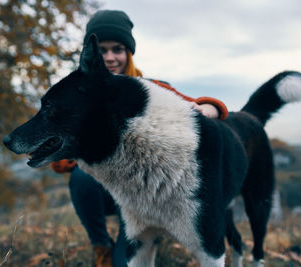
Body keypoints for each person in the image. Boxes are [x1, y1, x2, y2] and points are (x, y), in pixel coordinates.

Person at [51, 10, 228, 267]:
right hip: (104, 190)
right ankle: (101, 247)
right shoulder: (79, 96)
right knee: (80, 176)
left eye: (117, 49)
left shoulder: (150, 89)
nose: (110, 57)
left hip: (143, 197)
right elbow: (59, 162)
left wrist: (211, 108)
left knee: (126, 263)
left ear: (128, 52)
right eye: (101, 50)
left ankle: (135, 247)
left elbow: (198, 105)